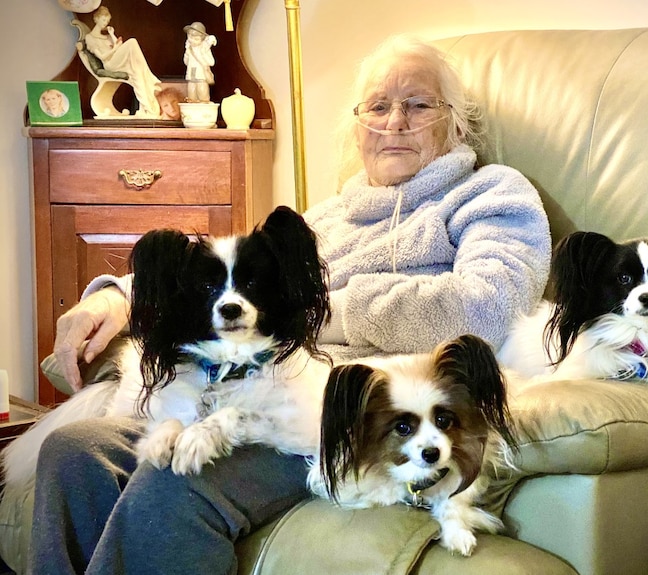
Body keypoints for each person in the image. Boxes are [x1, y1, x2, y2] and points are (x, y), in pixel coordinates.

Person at [32, 35, 551, 575]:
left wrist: (325, 308)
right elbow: (228, 277)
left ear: (455, 123)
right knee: (74, 451)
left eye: (418, 105)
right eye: (378, 105)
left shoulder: (491, 193)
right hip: (258, 390)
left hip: (342, 418)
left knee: (176, 482)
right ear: (358, 126)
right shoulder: (324, 220)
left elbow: (489, 307)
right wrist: (116, 298)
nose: (395, 120)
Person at [85, 6, 162, 117]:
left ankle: (147, 108)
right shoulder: (90, 37)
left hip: (116, 60)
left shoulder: (106, 36)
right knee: (132, 42)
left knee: (137, 72)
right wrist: (115, 48)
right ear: (96, 19)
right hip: (109, 64)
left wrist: (111, 34)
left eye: (107, 21)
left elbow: (118, 45)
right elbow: (102, 57)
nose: (105, 23)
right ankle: (149, 75)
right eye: (103, 20)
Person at [183, 21, 217, 103]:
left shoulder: (204, 49)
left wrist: (203, 54)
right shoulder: (189, 48)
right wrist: (187, 53)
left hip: (201, 74)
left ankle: (204, 104)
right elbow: (186, 62)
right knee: (191, 92)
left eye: (196, 39)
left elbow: (211, 62)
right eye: (190, 37)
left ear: (202, 39)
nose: (192, 41)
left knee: (202, 91)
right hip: (191, 74)